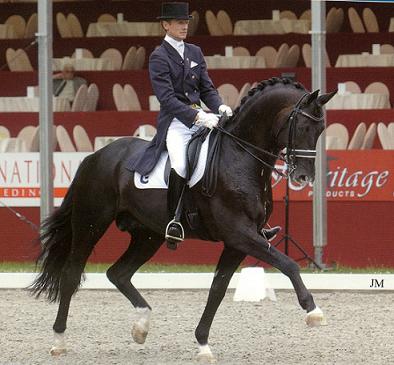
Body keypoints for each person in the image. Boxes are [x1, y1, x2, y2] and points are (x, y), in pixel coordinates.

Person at [127, 2, 280, 248]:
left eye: (186, 21)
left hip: (204, 117)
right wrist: (196, 116)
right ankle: (174, 221)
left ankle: (249, 223)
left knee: (226, 154)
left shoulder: (195, 52)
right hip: (176, 122)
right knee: (181, 162)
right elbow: (166, 99)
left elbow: (206, 87)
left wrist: (219, 106)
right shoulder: (159, 56)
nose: (184, 25)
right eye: (179, 22)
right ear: (166, 25)